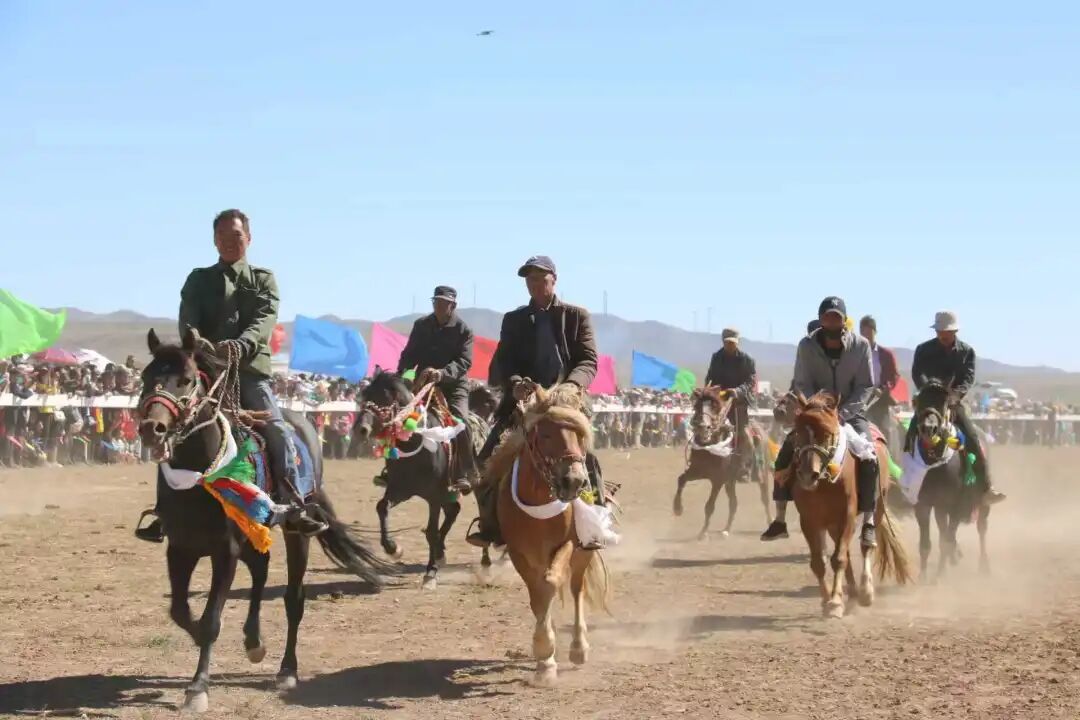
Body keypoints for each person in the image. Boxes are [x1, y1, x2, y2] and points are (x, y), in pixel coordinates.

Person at [135, 208, 326, 543]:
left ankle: (293, 503)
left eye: (236, 235)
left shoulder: (263, 279)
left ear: (248, 238)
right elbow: (188, 319)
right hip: (205, 372)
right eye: (221, 236)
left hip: (249, 372)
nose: (228, 241)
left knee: (277, 429)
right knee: (177, 427)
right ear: (214, 240)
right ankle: (164, 512)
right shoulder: (198, 279)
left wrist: (241, 345)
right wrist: (200, 343)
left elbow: (264, 320)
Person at [467, 255, 603, 548]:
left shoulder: (576, 316)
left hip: (567, 401)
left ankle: (595, 521)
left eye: (541, 278)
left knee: (585, 458)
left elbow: (588, 360)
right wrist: (516, 384)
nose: (535, 284)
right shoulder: (514, 320)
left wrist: (571, 385)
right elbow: (505, 361)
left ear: (554, 280)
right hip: (526, 401)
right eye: (530, 279)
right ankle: (491, 525)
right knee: (487, 459)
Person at [761, 296, 880, 547]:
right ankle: (780, 519)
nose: (831, 322)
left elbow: (866, 386)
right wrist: (813, 409)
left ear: (844, 320)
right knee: (785, 453)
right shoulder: (806, 346)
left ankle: (868, 521)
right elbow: (802, 382)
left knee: (870, 457)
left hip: (850, 414)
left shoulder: (861, 346)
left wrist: (843, 413)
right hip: (814, 414)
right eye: (827, 317)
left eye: (836, 317)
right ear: (820, 319)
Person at [905, 311, 1005, 505]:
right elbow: (918, 372)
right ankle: (906, 485)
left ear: (955, 331)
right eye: (940, 331)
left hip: (953, 402)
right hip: (928, 401)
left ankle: (986, 487)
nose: (942, 334)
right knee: (909, 437)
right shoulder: (923, 350)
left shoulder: (966, 352)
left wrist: (954, 396)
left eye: (946, 331)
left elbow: (968, 378)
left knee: (972, 437)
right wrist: (928, 388)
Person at [394, 285, 481, 493]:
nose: (439, 306)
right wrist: (403, 376)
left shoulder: (464, 330)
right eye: (436, 302)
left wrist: (442, 373)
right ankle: (392, 468)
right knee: (400, 416)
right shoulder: (421, 325)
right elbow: (409, 354)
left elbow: (464, 362)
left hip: (453, 385)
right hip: (422, 383)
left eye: (444, 303)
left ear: (453, 306)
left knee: (461, 421)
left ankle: (464, 471)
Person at [703, 328, 757, 477]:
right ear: (723, 341)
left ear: (738, 342)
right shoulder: (716, 357)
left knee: (743, 432)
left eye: (732, 343)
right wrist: (709, 390)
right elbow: (710, 377)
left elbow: (750, 382)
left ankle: (745, 465)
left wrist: (737, 391)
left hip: (739, 400)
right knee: (704, 423)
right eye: (727, 342)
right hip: (720, 399)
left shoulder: (747, 359)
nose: (730, 345)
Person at [859, 315, 900, 435]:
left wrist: (884, 387)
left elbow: (893, 376)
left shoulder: (886, 354)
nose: (867, 336)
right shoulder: (856, 353)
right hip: (860, 398)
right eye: (864, 333)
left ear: (875, 332)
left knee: (884, 431)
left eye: (869, 333)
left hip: (880, 399)